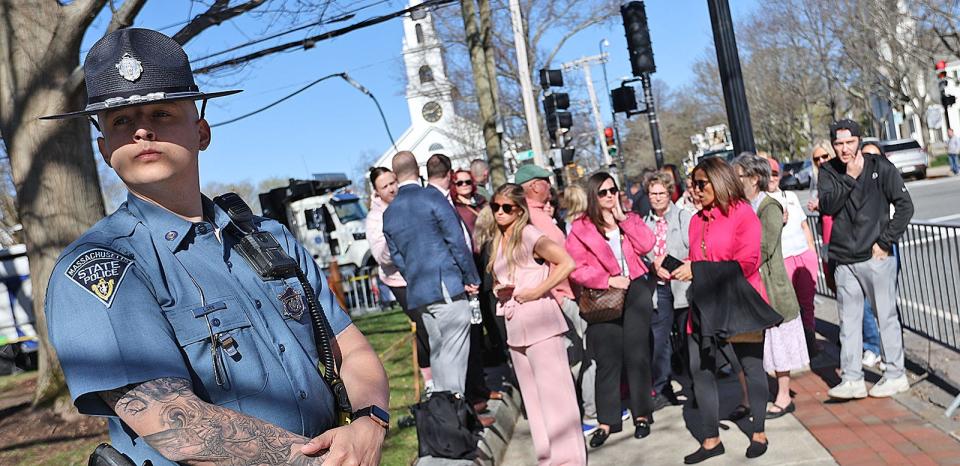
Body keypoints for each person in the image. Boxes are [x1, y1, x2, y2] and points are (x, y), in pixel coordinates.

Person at [42, 28, 388, 465]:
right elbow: (175, 425)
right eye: (121, 122)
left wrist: (369, 422)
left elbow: (351, 349)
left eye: (162, 113)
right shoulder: (100, 268)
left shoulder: (268, 238)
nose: (142, 130)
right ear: (104, 147)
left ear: (201, 131)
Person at [672, 157, 770, 463]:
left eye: (701, 184)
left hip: (740, 303)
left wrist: (697, 270)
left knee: (751, 369)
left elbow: (747, 263)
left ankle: (759, 432)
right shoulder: (695, 220)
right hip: (703, 305)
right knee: (700, 371)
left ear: (719, 181)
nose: (696, 190)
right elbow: (696, 260)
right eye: (692, 185)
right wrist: (677, 269)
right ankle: (712, 439)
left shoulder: (743, 214)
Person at [489, 183, 586, 465]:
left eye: (507, 208)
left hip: (542, 325)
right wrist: (501, 288)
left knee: (557, 401)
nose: (500, 213)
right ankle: (548, 459)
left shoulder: (530, 234)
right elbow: (508, 276)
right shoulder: (500, 240)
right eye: (495, 207)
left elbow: (566, 262)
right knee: (534, 402)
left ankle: (569, 461)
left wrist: (538, 289)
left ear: (520, 210)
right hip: (516, 327)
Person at [819, 120, 914, 399]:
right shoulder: (828, 171)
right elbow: (827, 206)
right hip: (844, 258)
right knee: (848, 322)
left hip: (876, 257)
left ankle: (896, 374)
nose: (844, 148)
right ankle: (852, 379)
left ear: (859, 140)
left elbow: (905, 206)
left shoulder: (880, 167)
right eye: (838, 143)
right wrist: (848, 177)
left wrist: (885, 242)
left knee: (886, 317)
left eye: (849, 142)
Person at [566, 172, 656, 447]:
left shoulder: (628, 219)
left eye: (613, 190)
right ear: (593, 195)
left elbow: (647, 244)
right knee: (607, 360)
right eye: (603, 192)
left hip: (636, 291)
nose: (609, 196)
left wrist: (622, 218)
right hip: (603, 296)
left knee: (637, 355)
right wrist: (606, 279)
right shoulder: (580, 228)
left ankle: (642, 415)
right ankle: (607, 420)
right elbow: (575, 268)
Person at [383, 151, 481, 397]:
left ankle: (444, 417)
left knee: (439, 356)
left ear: (395, 176)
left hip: (419, 291)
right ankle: (453, 419)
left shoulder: (390, 213)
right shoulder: (432, 197)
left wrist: (415, 278)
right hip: (445, 285)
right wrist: (471, 277)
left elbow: (398, 259)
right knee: (454, 359)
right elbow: (456, 241)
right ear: (419, 169)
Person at [516, 164, 597, 429]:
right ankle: (587, 416)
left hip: (564, 295)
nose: (550, 187)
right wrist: (557, 295)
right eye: (546, 182)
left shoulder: (538, 215)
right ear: (535, 186)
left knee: (577, 357)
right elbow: (553, 261)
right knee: (583, 356)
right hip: (560, 297)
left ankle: (578, 416)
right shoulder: (531, 219)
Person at [733, 154, 808, 420]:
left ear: (754, 178)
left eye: (739, 176)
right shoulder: (744, 206)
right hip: (751, 287)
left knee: (779, 343)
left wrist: (736, 254)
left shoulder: (769, 206)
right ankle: (750, 396)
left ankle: (784, 396)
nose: (735, 180)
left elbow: (764, 246)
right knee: (753, 346)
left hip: (772, 288)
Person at [367, 167, 432, 388]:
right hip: (399, 279)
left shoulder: (410, 201)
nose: (392, 189)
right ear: (376, 192)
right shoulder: (375, 219)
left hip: (423, 271)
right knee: (422, 326)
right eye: (384, 186)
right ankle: (430, 380)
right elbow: (381, 257)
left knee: (436, 322)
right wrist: (396, 237)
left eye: (393, 182)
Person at [643, 172, 693, 410]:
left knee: (687, 339)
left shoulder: (683, 217)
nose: (658, 198)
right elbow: (641, 254)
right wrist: (653, 266)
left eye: (662, 193)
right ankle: (663, 388)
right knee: (659, 341)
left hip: (683, 287)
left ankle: (695, 388)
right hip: (658, 289)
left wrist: (667, 264)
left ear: (669, 193)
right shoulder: (645, 223)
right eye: (653, 193)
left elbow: (690, 250)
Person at [767, 158, 821, 358]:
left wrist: (811, 252)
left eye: (774, 173)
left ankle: (810, 343)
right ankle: (792, 349)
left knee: (807, 303)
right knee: (787, 306)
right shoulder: (761, 202)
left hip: (802, 255)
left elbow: (804, 226)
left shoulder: (790, 195)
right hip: (783, 259)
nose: (772, 178)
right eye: (768, 174)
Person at [453, 169, 487, 236]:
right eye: (459, 183)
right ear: (454, 186)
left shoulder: (482, 201)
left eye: (468, 182)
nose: (464, 184)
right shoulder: (454, 208)